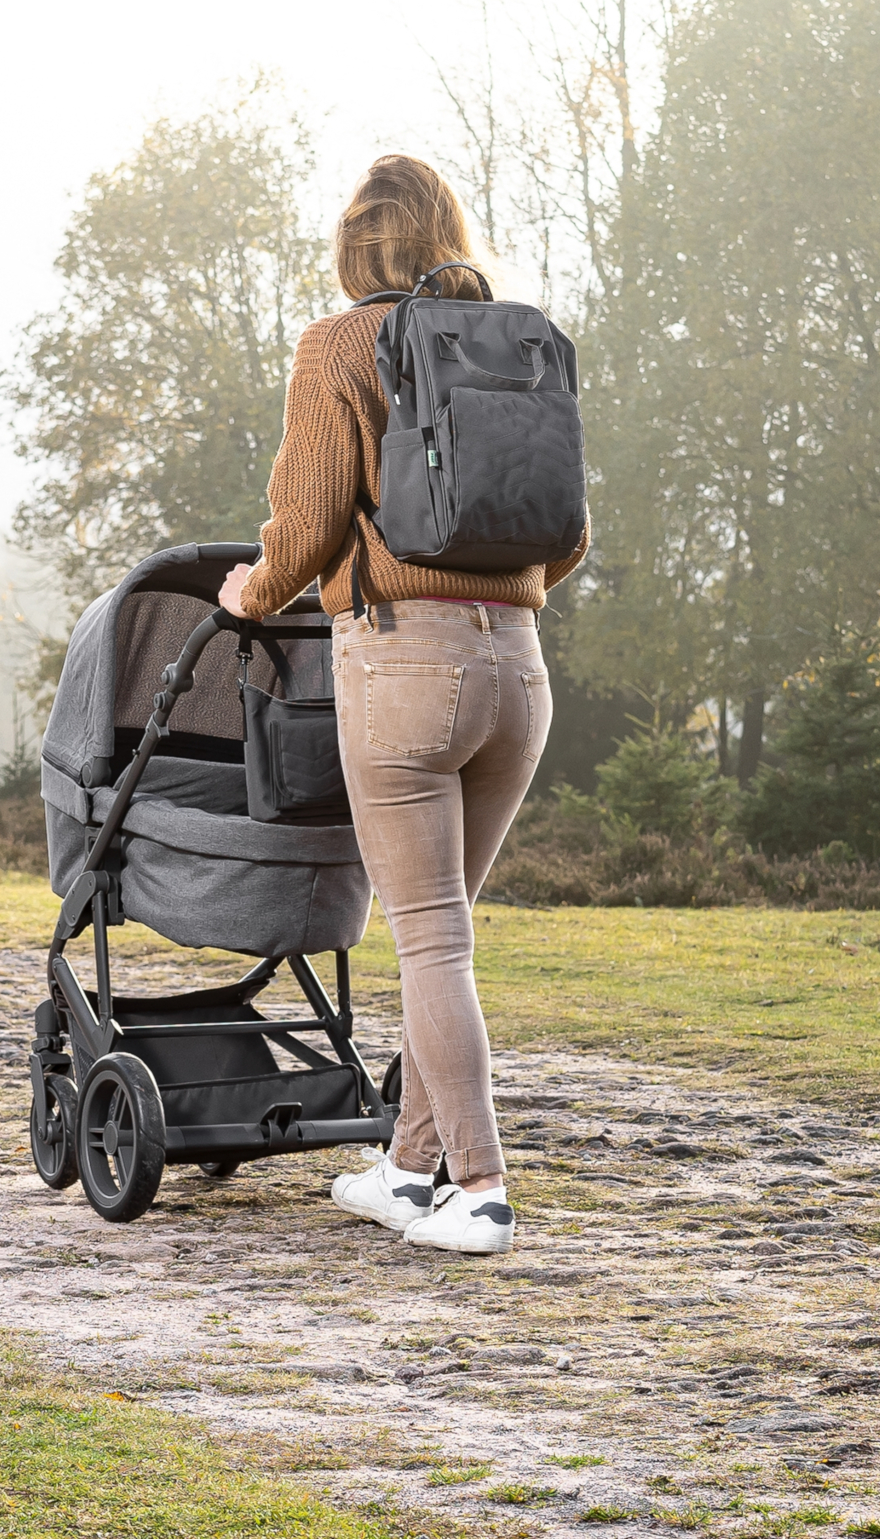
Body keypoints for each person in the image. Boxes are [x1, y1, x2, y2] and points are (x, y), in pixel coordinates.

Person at [219, 154, 589, 1255]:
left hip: (402, 668)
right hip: (518, 669)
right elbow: (566, 533)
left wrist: (256, 589)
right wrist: (489, 603)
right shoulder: (520, 343)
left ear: (353, 249)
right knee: (448, 935)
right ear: (443, 233)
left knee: (430, 941)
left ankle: (478, 1186)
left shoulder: (342, 343)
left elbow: (312, 512)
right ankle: (408, 1165)